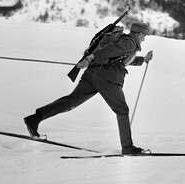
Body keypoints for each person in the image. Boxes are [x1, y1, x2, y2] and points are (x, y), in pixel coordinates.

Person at [24, 22, 153, 155]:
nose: (144, 38)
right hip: (107, 79)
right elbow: (108, 52)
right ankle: (128, 148)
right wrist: (89, 58)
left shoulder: (126, 42)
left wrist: (143, 60)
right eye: (144, 35)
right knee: (122, 110)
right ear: (139, 34)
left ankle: (34, 119)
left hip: (92, 74)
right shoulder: (130, 43)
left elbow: (121, 59)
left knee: (71, 102)